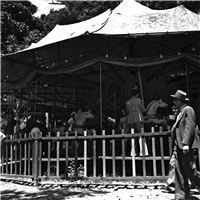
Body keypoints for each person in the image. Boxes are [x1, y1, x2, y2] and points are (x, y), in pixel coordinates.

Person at [170, 89, 200, 200]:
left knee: (190, 170)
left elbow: (190, 127)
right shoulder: (180, 112)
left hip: (185, 146)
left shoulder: (188, 110)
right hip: (178, 146)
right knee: (179, 171)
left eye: (175, 99)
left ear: (180, 100)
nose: (174, 101)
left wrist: (186, 143)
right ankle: (181, 196)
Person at [125, 88, 148, 156]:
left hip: (130, 120)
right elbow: (144, 110)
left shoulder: (127, 102)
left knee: (133, 136)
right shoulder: (138, 100)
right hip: (138, 119)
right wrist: (143, 104)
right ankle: (143, 152)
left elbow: (127, 112)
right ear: (137, 94)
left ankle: (133, 152)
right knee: (141, 135)